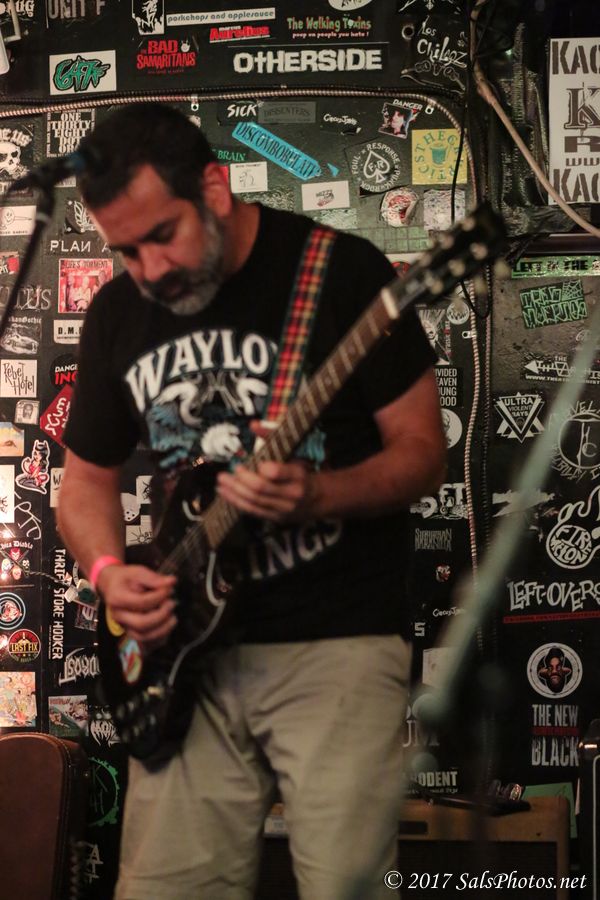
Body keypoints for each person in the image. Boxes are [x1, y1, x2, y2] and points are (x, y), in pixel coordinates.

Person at [57, 102, 446, 900]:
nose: (150, 269)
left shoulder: (342, 274)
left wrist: (322, 491)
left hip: (335, 639)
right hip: (183, 663)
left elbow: (422, 452)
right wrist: (106, 573)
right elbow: (86, 482)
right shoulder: (118, 315)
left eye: (162, 235)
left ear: (215, 187)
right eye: (125, 251)